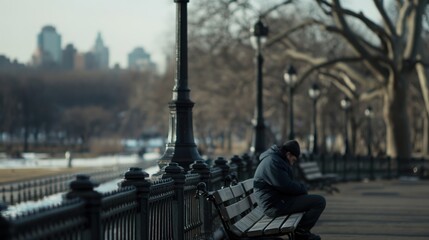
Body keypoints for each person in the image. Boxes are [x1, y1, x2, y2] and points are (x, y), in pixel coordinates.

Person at [253, 140, 325, 240]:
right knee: (319, 201)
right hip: (274, 206)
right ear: (288, 154)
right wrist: (303, 188)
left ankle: (301, 232)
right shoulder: (273, 162)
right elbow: (286, 186)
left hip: (277, 201)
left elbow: (286, 185)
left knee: (310, 200)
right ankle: (301, 233)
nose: (292, 163)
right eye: (293, 160)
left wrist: (301, 190)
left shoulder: (275, 159)